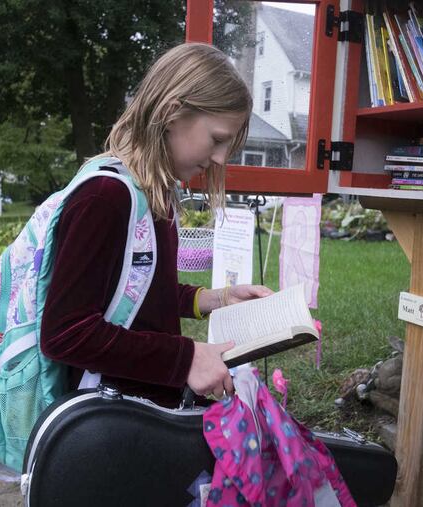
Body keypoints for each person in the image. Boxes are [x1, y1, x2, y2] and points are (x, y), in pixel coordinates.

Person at [40, 43, 272, 408]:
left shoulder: (155, 194)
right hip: (105, 418)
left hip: (140, 408)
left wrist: (217, 299)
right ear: (171, 113)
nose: (220, 159)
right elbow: (66, 333)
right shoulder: (104, 198)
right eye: (217, 139)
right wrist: (185, 358)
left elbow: (143, 291)